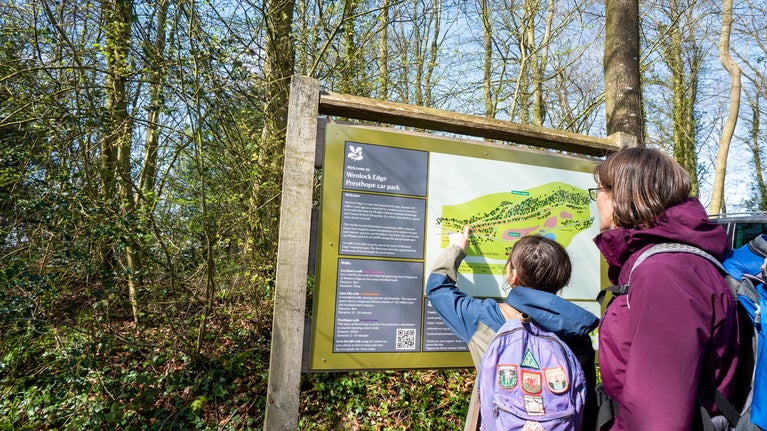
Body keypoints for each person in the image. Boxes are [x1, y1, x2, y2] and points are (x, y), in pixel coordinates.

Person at [591, 146, 740, 430]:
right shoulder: (667, 262)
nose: (596, 200)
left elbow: (657, 417)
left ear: (621, 195)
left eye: (598, 190)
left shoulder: (665, 274)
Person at [426, 225, 599, 430]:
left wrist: (456, 248)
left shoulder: (484, 316)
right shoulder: (577, 333)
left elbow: (437, 289)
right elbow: (585, 405)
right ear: (562, 279)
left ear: (513, 275)